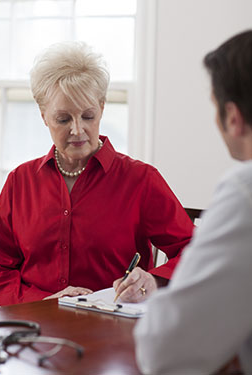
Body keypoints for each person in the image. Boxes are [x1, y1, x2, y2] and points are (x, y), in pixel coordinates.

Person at [0, 42, 193, 307]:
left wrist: (154, 280)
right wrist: (43, 302)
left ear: (101, 107)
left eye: (88, 116)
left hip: (113, 330)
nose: (78, 130)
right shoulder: (19, 182)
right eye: (63, 119)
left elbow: (195, 251)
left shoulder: (141, 180)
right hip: (35, 329)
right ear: (44, 115)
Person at [134, 30, 252, 374]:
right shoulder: (21, 180)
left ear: (232, 117)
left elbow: (165, 350)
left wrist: (154, 283)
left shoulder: (244, 191)